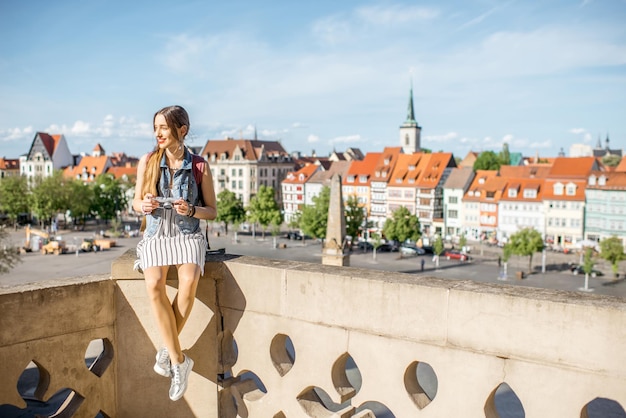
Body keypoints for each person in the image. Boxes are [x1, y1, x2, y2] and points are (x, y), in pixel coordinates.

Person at [132, 105, 217, 401]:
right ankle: (180, 361)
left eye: (164, 128)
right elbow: (135, 202)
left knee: (189, 282)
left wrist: (191, 209)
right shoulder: (148, 161)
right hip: (156, 233)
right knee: (154, 284)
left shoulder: (199, 165)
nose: (158, 133)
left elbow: (212, 211)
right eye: (155, 127)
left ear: (181, 130)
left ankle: (167, 351)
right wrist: (144, 206)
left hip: (187, 234)